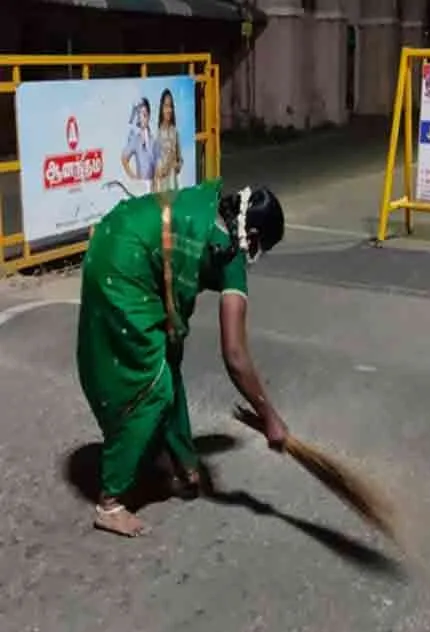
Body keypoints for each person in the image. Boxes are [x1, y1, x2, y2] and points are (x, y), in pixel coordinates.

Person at [77, 180, 290, 537]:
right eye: (261, 247)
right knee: (151, 386)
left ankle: (182, 464)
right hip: (122, 266)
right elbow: (235, 355)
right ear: (251, 235)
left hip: (116, 236)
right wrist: (270, 418)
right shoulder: (232, 254)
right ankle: (110, 502)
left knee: (168, 359)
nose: (257, 255)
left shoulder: (210, 211)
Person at [121, 98, 157, 190]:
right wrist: (134, 177)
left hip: (155, 184)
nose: (142, 119)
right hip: (142, 185)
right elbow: (124, 158)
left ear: (148, 117)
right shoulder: (135, 140)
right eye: (140, 115)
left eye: (144, 115)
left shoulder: (154, 140)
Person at [152, 89, 183, 194]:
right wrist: (161, 170)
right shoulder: (156, 133)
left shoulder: (175, 132)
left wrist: (177, 166)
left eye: (170, 106)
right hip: (159, 188)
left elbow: (180, 160)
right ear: (161, 108)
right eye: (166, 106)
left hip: (172, 186)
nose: (169, 110)